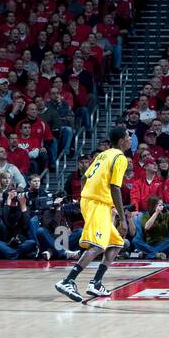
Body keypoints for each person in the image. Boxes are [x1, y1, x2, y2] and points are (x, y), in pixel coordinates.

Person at [54, 127, 132, 302]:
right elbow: (115, 188)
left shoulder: (102, 155)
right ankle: (68, 281)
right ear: (121, 141)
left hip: (91, 201)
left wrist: (86, 198)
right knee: (98, 246)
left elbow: (83, 178)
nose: (130, 139)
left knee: (116, 243)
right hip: (98, 204)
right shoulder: (120, 158)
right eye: (128, 136)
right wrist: (123, 218)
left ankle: (96, 283)